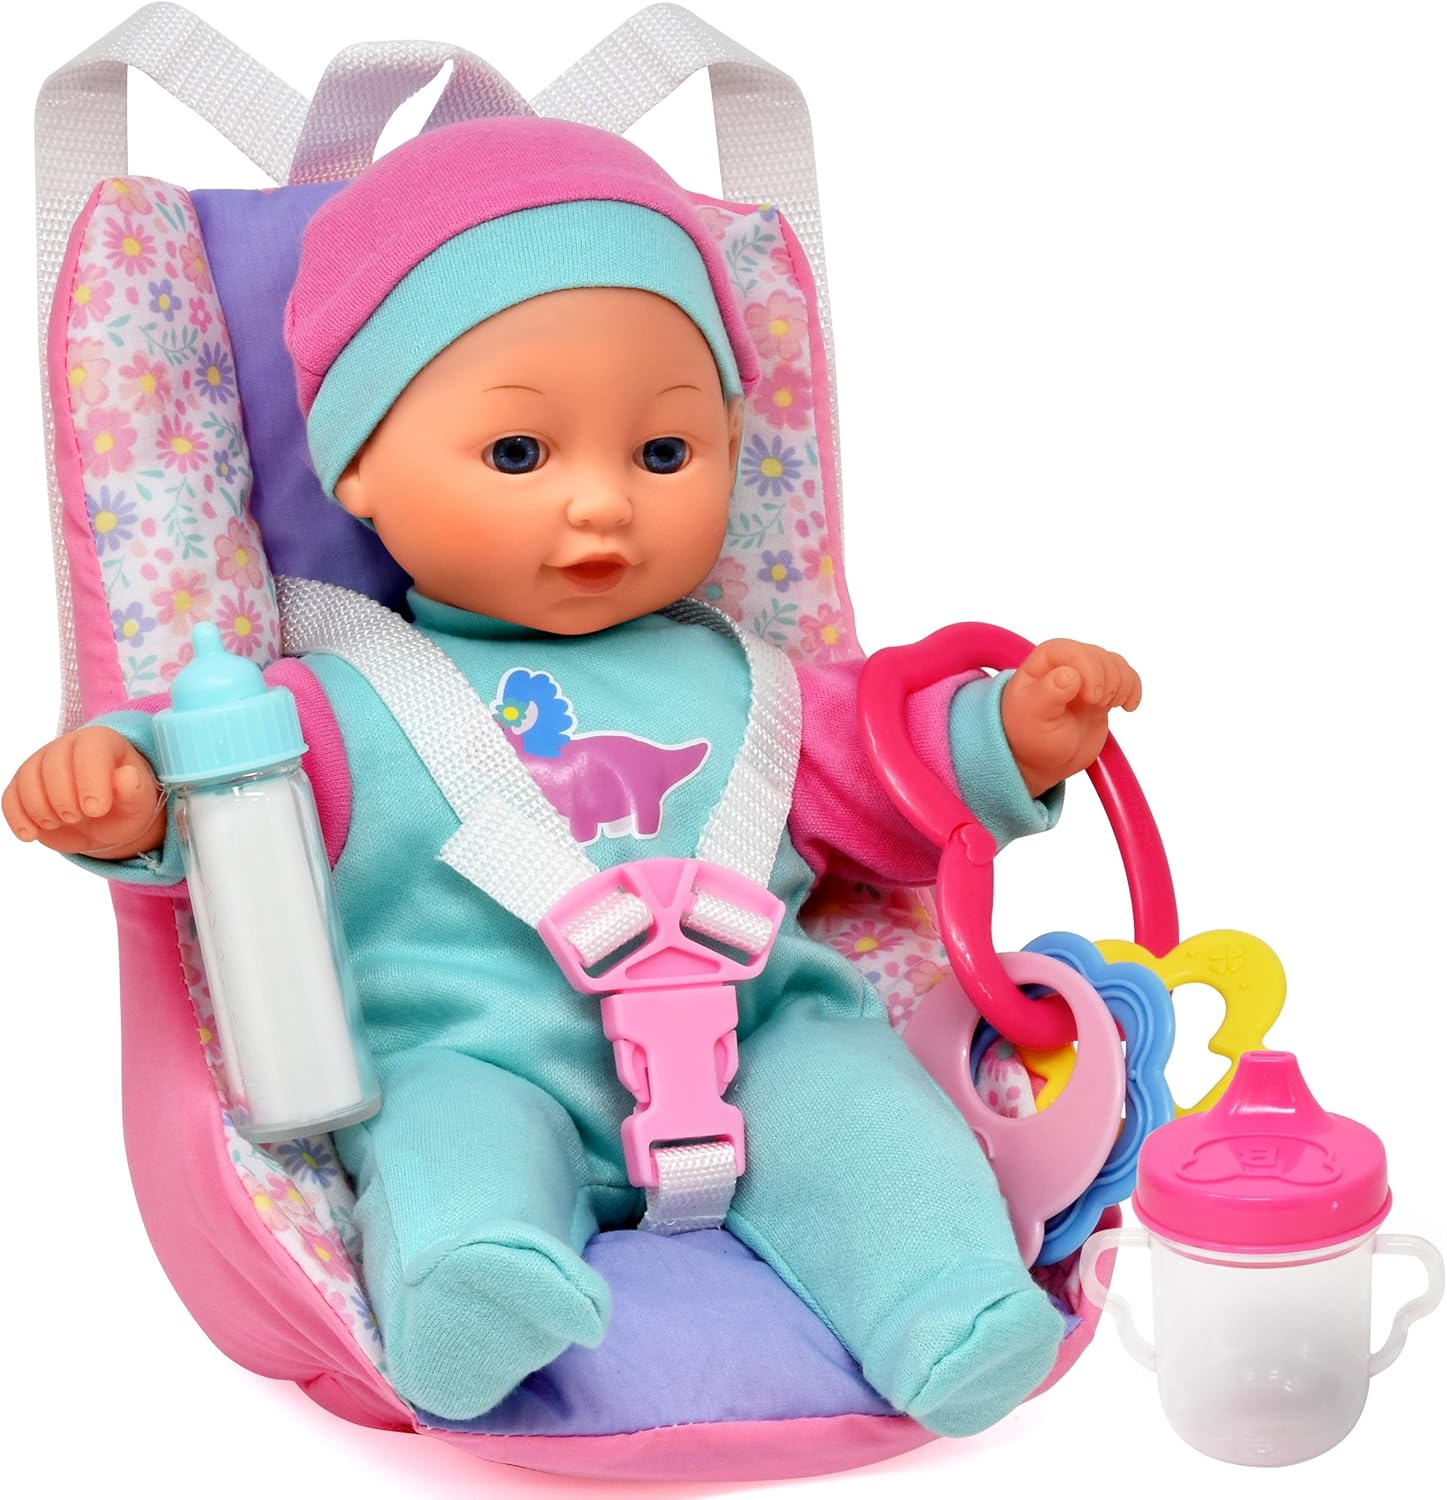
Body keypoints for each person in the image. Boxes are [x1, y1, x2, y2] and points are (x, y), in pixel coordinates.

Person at [2, 116, 1140, 1430]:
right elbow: (224, 819)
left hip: (766, 1047)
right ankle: (470, 1290)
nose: (601, 502)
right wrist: (124, 790)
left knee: (869, 1119)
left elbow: (896, 782)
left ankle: (945, 1300)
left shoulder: (761, 686)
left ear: (728, 444)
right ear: (357, 468)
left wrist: (1011, 735)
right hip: (477, 1058)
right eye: (519, 454)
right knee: (445, 1144)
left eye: (662, 454)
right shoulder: (330, 699)